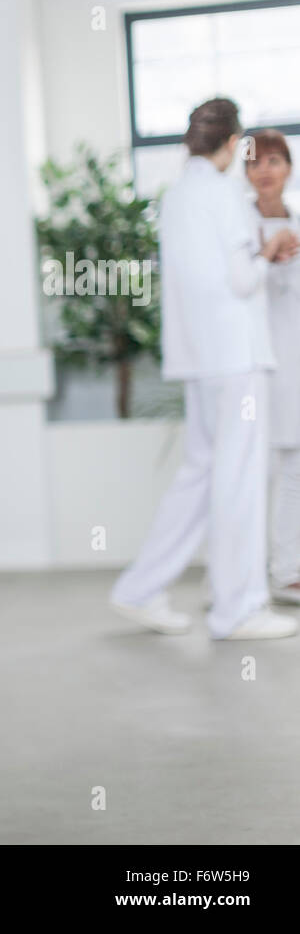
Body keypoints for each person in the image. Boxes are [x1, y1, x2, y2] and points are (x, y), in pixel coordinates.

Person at [109, 100, 298, 640]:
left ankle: (139, 588)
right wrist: (273, 249)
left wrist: (257, 257)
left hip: (198, 362)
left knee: (198, 476)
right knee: (238, 480)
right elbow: (241, 281)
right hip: (237, 359)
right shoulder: (224, 195)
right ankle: (237, 610)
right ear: (232, 141)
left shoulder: (177, 196)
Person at [244, 129, 300, 604]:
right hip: (249, 363)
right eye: (255, 162)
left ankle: (287, 571)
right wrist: (267, 253)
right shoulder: (236, 227)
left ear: (289, 167)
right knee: (248, 470)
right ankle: (234, 574)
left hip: (295, 361)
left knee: (295, 468)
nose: (265, 170)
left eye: (275, 160)